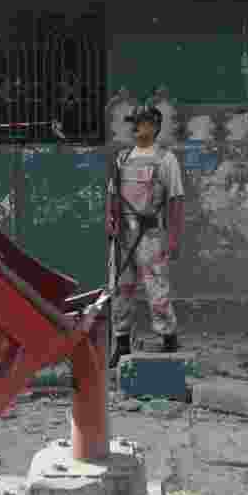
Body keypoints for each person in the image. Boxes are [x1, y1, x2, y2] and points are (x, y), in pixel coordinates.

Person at [106, 104, 185, 368]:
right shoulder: (123, 158)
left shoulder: (166, 159)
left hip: (151, 233)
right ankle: (121, 342)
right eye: (132, 122)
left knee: (156, 288)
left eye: (139, 122)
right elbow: (113, 193)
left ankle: (168, 339)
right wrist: (111, 219)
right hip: (124, 236)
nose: (134, 126)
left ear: (153, 126)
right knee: (122, 288)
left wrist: (173, 238)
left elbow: (175, 201)